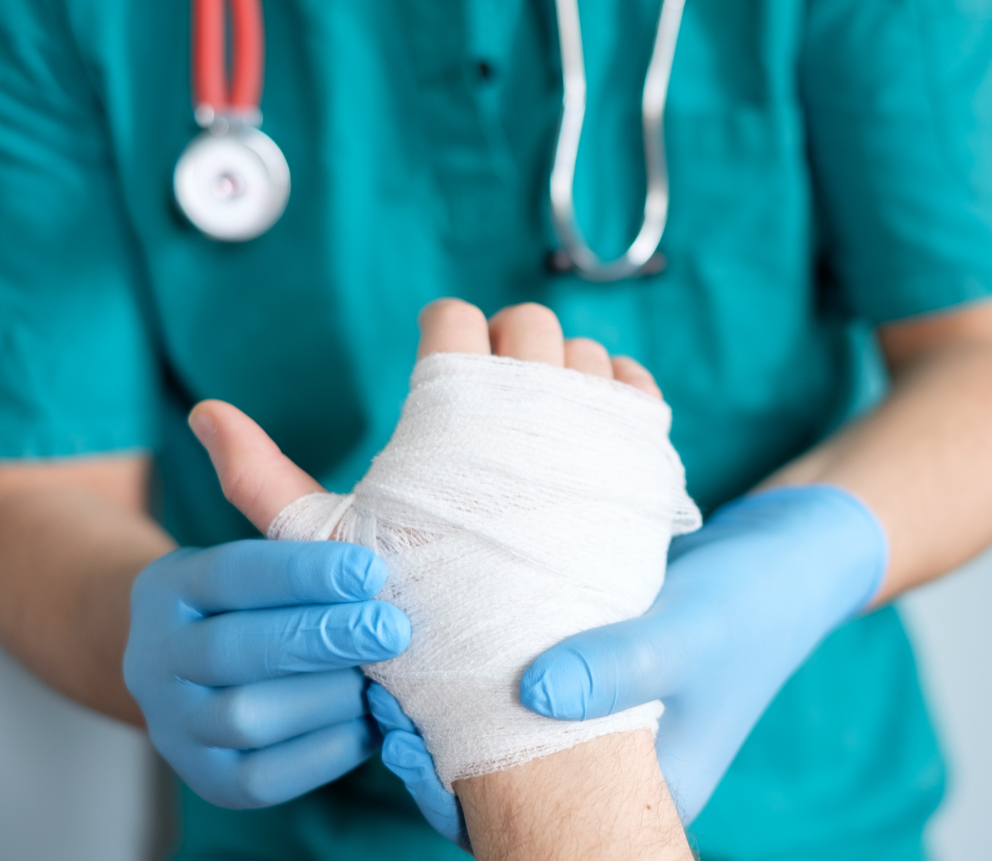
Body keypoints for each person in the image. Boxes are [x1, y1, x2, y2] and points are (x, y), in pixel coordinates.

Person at [1, 1, 990, 859]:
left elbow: (972, 349)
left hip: (796, 799)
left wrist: (797, 558)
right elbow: (38, 485)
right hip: (309, 827)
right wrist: (139, 631)